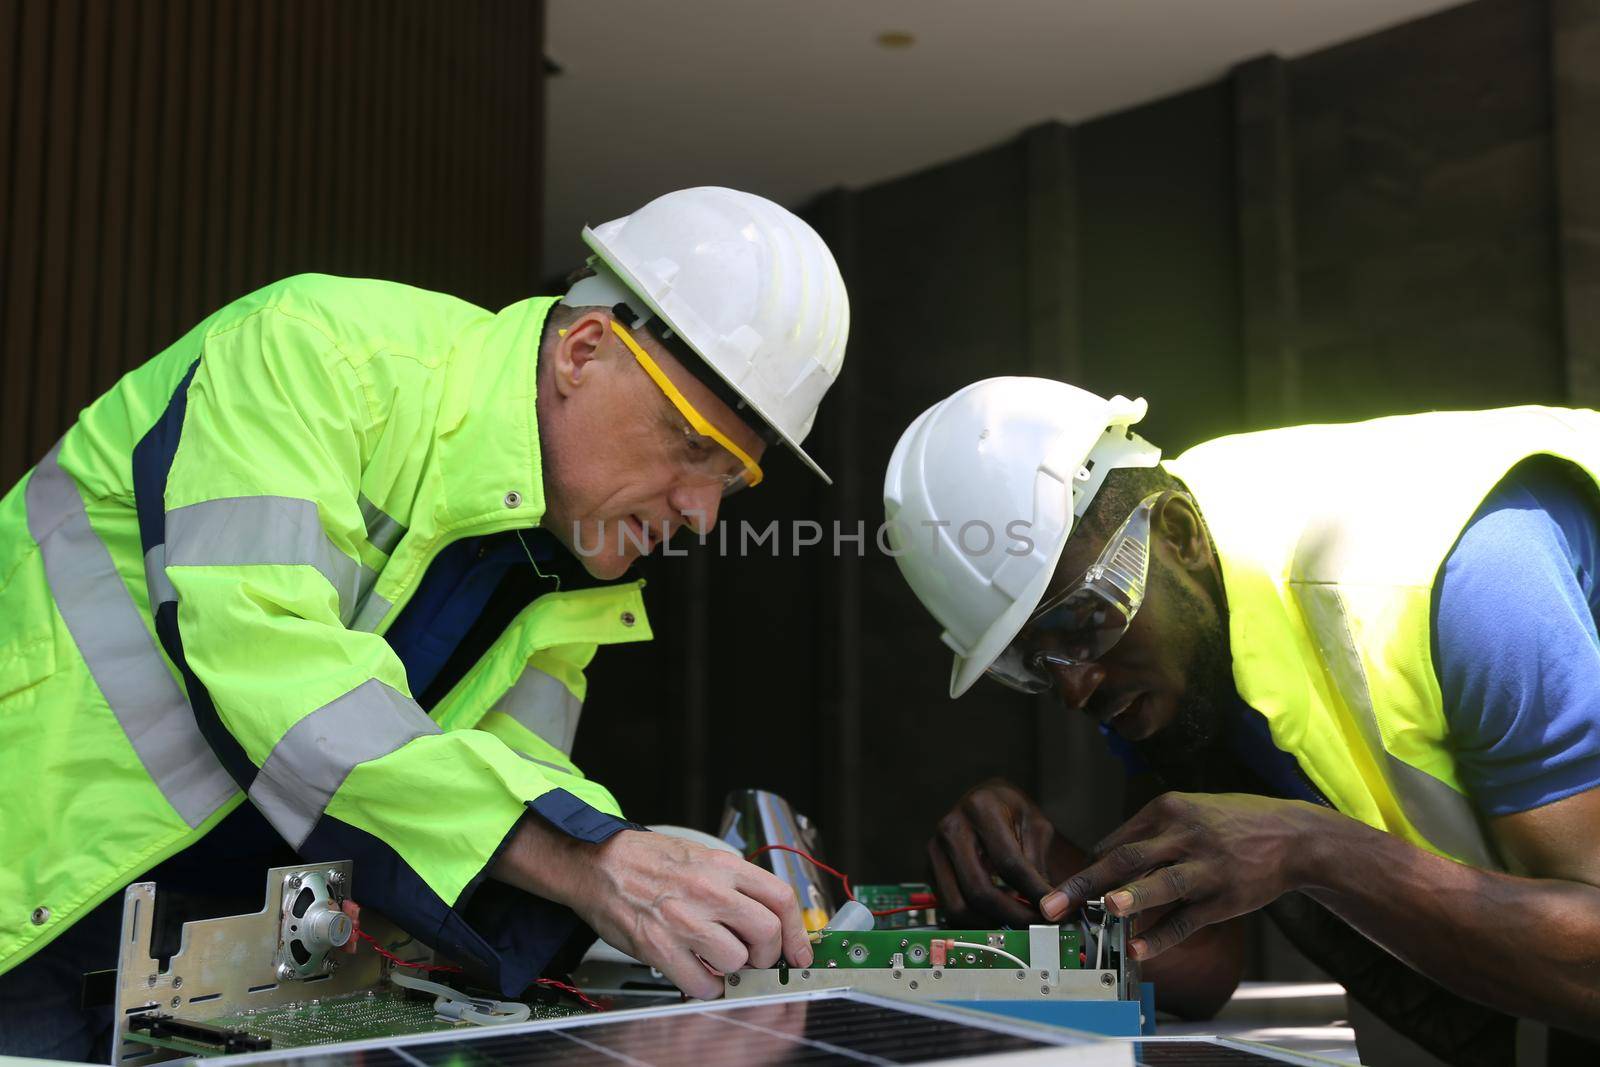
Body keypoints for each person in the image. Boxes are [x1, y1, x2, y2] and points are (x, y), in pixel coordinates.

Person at [0, 187, 848, 1060]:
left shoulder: (565, 559)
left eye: (734, 478)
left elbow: (517, 772)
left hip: (209, 962)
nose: (703, 513)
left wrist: (646, 872)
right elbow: (262, 654)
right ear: (585, 350)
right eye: (690, 443)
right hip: (29, 873)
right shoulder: (317, 349)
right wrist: (593, 859)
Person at [884, 378, 1600, 1064]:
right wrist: (1054, 876)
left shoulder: (1472, 581)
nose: (1073, 688)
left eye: (1082, 621)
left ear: (1179, 533)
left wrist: (1313, 850)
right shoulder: (1161, 641)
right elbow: (1202, 961)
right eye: (1031, 663)